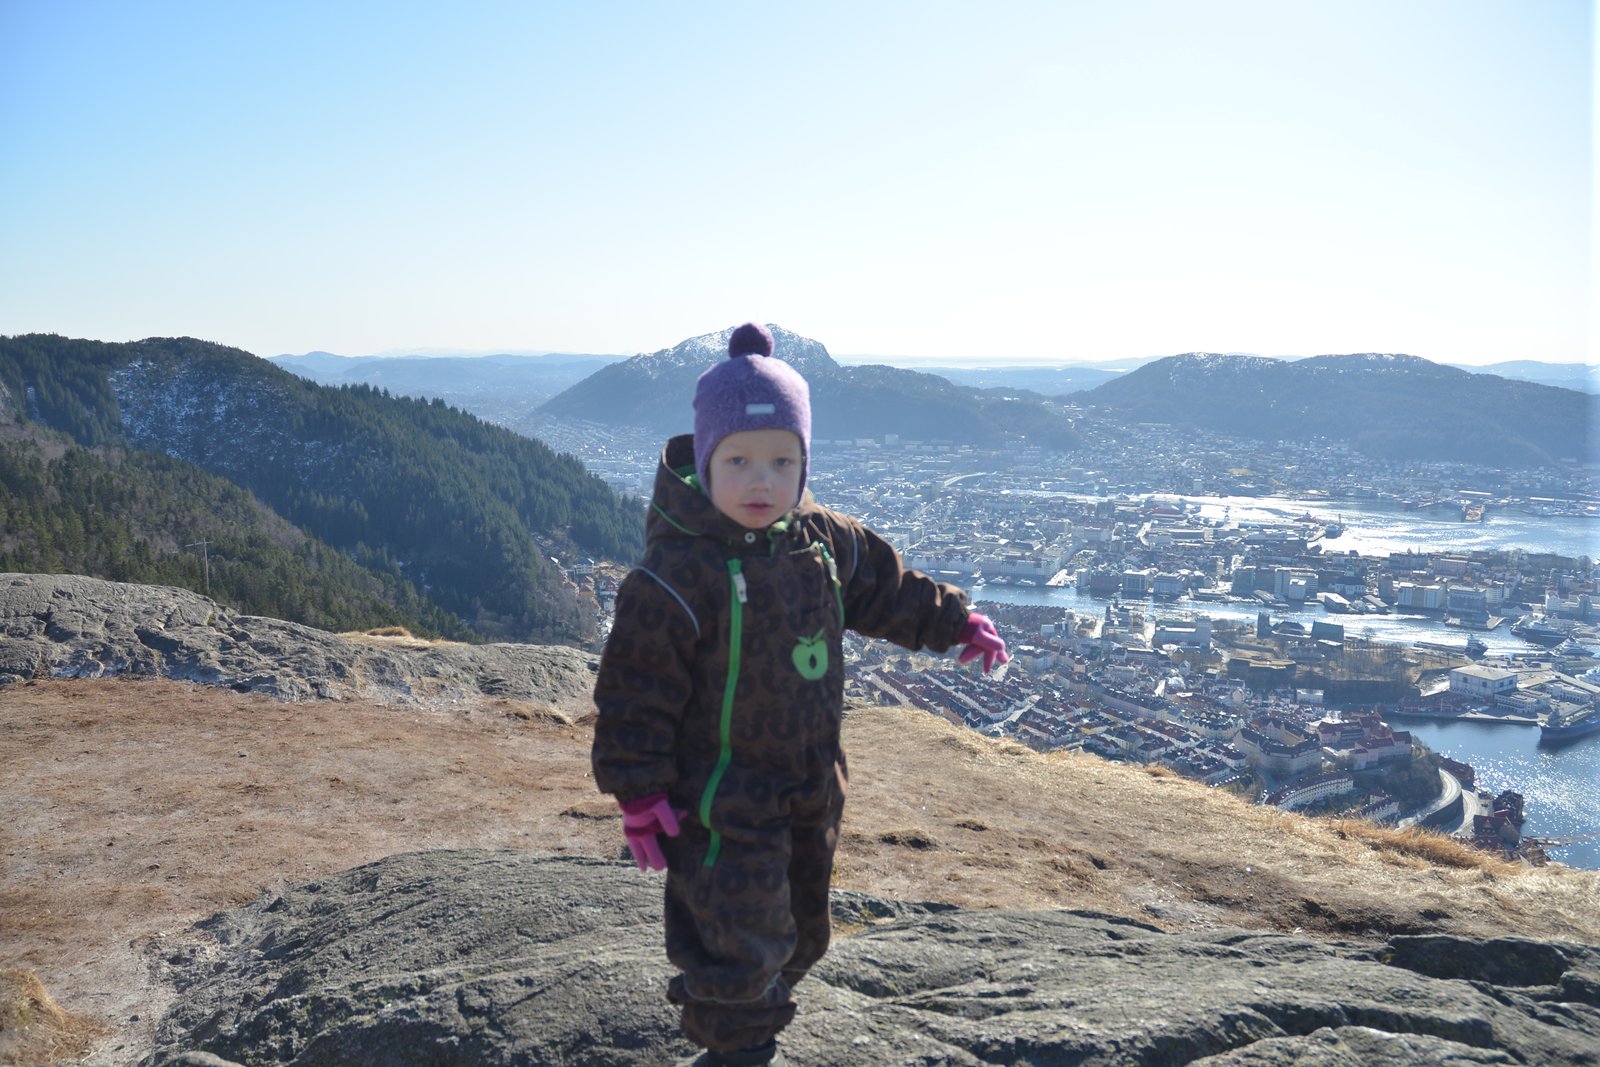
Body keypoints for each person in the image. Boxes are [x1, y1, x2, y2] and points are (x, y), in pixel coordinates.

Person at [590, 322, 1008, 1067]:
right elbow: (635, 688)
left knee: (805, 926)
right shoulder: (676, 574)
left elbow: (885, 588)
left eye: (782, 461)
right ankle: (737, 1045)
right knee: (735, 935)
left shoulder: (822, 539)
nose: (761, 481)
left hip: (814, 783)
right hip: (720, 798)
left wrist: (953, 620)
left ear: (804, 461)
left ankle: (759, 1012)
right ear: (705, 460)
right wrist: (639, 791)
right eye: (739, 460)